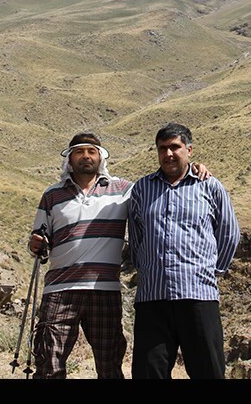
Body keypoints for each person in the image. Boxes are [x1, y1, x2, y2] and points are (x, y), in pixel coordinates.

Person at [27, 132, 211, 379]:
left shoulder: (124, 190)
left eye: (91, 152)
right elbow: (40, 242)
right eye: (79, 152)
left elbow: (160, 187)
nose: (85, 157)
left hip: (104, 290)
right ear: (69, 159)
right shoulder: (51, 195)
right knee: (49, 363)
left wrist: (193, 167)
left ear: (100, 158)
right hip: (60, 291)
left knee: (109, 364)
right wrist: (37, 244)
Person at [128, 122, 240, 379]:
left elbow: (229, 233)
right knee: (148, 373)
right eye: (162, 148)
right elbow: (136, 237)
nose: (168, 154)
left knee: (208, 371)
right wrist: (145, 268)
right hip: (152, 300)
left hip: (198, 296)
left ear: (189, 149)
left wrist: (211, 271)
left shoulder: (210, 187)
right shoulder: (141, 189)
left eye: (175, 147)